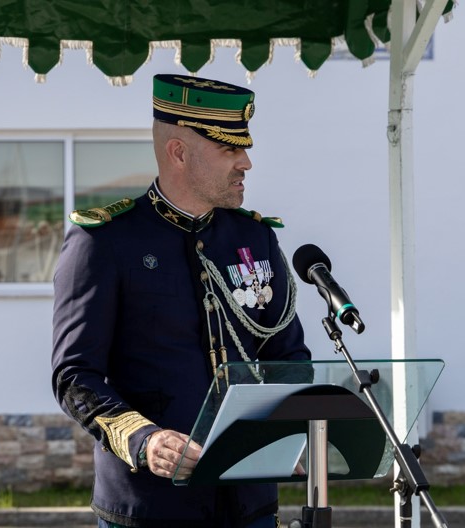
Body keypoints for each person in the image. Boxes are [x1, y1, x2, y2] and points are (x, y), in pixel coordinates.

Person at [51, 73, 311, 528]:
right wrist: (144, 440)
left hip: (249, 505)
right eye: (230, 149)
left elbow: (285, 354)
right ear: (179, 153)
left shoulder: (255, 237)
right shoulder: (105, 242)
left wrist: (292, 428)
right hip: (151, 507)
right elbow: (75, 376)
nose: (246, 162)